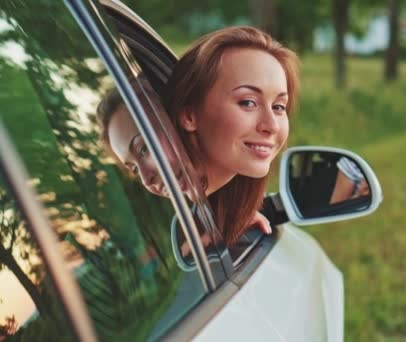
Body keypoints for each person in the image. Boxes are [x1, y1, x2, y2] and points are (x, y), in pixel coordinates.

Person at [97, 26, 299, 249]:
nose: (146, 179)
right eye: (133, 168)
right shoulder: (176, 221)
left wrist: (230, 216)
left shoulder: (222, 208)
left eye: (279, 106)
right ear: (189, 116)